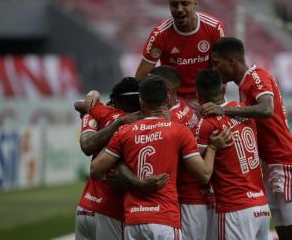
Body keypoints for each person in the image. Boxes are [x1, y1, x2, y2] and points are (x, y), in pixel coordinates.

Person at [90, 75, 229, 240]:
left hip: (134, 221)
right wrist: (213, 147)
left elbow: (95, 171)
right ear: (168, 97)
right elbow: (204, 175)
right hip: (164, 219)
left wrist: (127, 171)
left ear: (141, 101)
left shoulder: (124, 132)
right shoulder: (178, 131)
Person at [202, 37, 292, 240]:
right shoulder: (244, 87)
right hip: (271, 163)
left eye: (216, 63)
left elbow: (266, 109)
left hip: (286, 160)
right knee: (286, 235)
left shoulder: (256, 75)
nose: (213, 68)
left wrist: (223, 109)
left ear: (231, 61)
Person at [75, 77, 168, 240]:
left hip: (85, 207)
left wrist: (91, 94)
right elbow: (116, 166)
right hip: (110, 209)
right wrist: (141, 184)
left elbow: (80, 105)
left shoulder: (102, 111)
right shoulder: (138, 125)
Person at [195, 69, 270, 240]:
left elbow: (198, 171)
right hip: (261, 206)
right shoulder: (244, 111)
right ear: (223, 89)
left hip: (234, 208)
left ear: (198, 96)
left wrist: (212, 148)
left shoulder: (207, 124)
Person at [135, 0, 225, 111]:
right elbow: (140, 77)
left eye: (185, 3)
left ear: (195, 3)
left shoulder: (214, 28)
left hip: (206, 97)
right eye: (174, 4)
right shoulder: (160, 34)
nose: (179, 9)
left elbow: (222, 69)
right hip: (174, 100)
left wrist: (217, 99)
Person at [150, 65, 217, 240]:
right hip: (193, 197)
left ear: (168, 91)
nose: (148, 89)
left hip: (188, 198)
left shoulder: (173, 119)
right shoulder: (183, 108)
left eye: (153, 85)